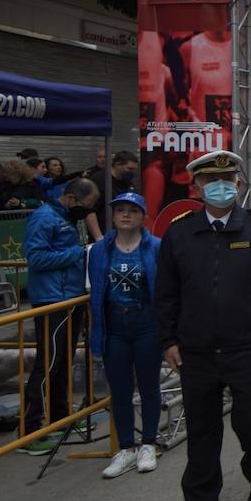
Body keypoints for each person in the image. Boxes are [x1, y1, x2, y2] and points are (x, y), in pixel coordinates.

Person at [155, 151, 251, 501]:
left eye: (228, 180)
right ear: (196, 187)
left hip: (248, 346)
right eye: (210, 181)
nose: (220, 187)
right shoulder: (180, 233)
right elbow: (166, 292)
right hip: (195, 349)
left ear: (238, 184)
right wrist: (168, 339)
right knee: (201, 430)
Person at [19, 178, 100, 454]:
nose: (89, 212)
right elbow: (36, 258)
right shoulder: (43, 217)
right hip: (51, 301)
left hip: (71, 297)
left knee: (63, 362)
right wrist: (78, 252)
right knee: (48, 364)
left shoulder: (65, 217)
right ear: (72, 198)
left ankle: (60, 418)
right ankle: (30, 430)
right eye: (87, 206)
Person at [88, 193, 162, 478]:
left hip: (146, 321)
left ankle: (148, 443)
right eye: (120, 210)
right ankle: (126, 447)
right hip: (114, 323)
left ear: (143, 216)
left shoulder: (155, 247)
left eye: (133, 210)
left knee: (148, 386)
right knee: (119, 389)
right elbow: (94, 290)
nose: (126, 215)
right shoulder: (99, 250)